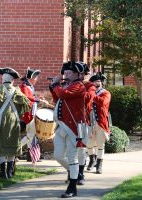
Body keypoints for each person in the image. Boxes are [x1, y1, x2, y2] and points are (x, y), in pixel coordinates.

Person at [0, 67, 31, 179]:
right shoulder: (17, 91)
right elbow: (27, 105)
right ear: (12, 80)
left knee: (0, 146)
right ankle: (9, 172)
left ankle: (3, 173)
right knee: (12, 146)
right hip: (14, 121)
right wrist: (18, 113)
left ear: (3, 79)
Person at [49, 61, 86, 198]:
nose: (66, 75)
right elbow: (57, 99)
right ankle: (74, 172)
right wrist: (53, 87)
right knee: (58, 156)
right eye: (65, 72)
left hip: (74, 127)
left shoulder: (79, 86)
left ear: (77, 74)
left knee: (72, 156)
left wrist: (55, 85)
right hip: (61, 126)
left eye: (69, 73)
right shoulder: (66, 86)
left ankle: (72, 187)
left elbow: (64, 95)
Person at [19, 67, 49, 160]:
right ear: (30, 78)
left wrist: (40, 99)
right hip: (27, 114)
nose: (36, 79)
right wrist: (39, 100)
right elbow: (26, 97)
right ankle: (16, 148)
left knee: (31, 134)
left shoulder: (30, 86)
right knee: (31, 134)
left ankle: (31, 156)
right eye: (35, 77)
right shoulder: (24, 86)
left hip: (31, 113)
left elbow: (32, 97)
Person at [75, 61, 96, 185]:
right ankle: (72, 172)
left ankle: (81, 173)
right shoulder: (70, 84)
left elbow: (88, 98)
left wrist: (77, 88)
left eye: (83, 74)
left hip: (82, 121)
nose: (82, 76)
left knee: (81, 148)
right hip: (69, 121)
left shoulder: (90, 86)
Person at [86, 72, 111, 174]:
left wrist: (92, 96)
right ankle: (92, 159)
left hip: (101, 122)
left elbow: (103, 102)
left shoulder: (106, 93)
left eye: (99, 81)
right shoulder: (89, 93)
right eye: (96, 81)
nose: (98, 83)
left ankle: (99, 165)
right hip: (89, 122)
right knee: (89, 144)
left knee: (101, 144)